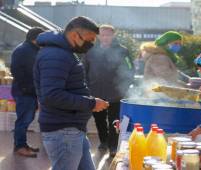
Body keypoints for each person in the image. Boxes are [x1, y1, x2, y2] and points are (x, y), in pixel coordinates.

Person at [34, 16, 109, 170]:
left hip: (71, 128)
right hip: (63, 131)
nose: (91, 45)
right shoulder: (56, 55)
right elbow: (52, 95)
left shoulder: (63, 53)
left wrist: (90, 101)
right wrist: (91, 103)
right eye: (89, 40)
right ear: (75, 35)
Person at [83, 24, 135, 156]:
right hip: (95, 93)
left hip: (116, 92)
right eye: (102, 34)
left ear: (113, 35)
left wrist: (125, 85)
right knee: (99, 120)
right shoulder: (90, 51)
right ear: (98, 36)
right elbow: (83, 70)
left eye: (108, 35)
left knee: (114, 120)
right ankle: (103, 141)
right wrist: (87, 87)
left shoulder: (123, 51)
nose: (105, 37)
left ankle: (113, 145)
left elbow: (130, 69)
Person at [10, 27, 44, 157]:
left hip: (29, 91)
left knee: (26, 119)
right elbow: (16, 70)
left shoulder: (32, 49)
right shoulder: (23, 50)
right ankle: (19, 146)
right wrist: (26, 88)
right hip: (24, 92)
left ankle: (22, 144)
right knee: (23, 120)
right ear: (35, 38)